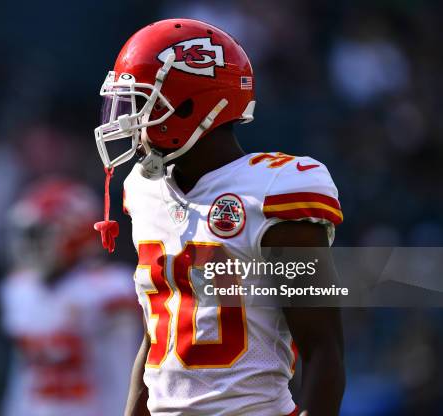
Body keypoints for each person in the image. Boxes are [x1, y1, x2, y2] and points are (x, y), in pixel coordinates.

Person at [93, 18, 345, 416]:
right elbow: (158, 338)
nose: (130, 124)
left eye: (142, 104)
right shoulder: (144, 191)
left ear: (190, 104)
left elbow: (324, 351)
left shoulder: (274, 192)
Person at [0, 178, 141, 416]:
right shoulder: (19, 290)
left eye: (40, 236)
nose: (31, 246)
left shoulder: (109, 288)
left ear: (75, 232)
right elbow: (22, 374)